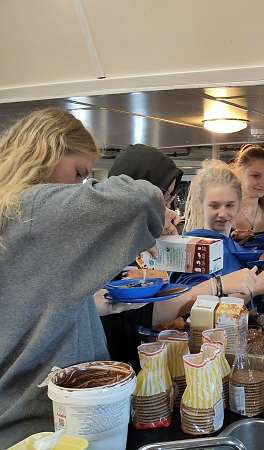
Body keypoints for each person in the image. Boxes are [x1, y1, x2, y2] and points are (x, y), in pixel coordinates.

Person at [0, 109, 169, 446]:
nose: (80, 185)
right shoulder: (35, 207)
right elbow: (141, 199)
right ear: (46, 151)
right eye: (78, 172)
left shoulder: (11, 215)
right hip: (47, 424)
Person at [98, 144, 184, 371]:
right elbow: (139, 312)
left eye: (169, 199)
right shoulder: (102, 243)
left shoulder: (140, 241)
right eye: (162, 197)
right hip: (105, 367)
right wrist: (217, 286)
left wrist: (170, 245)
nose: (169, 209)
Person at [175, 160, 264, 305]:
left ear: (239, 204)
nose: (222, 213)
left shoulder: (234, 247)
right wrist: (255, 288)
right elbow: (195, 307)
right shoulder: (191, 248)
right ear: (201, 203)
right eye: (214, 205)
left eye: (229, 205)